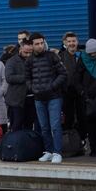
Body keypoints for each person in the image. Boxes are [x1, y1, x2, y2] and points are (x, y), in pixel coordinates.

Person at [26, 32, 68, 164]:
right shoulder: (29, 60)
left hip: (54, 96)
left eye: (41, 43)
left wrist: (52, 86)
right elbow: (27, 77)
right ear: (32, 46)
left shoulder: (52, 56)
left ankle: (57, 152)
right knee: (44, 126)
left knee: (55, 126)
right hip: (38, 98)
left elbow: (63, 73)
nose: (40, 46)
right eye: (37, 44)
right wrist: (32, 88)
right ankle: (49, 151)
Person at [4, 40, 36, 132]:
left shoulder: (34, 60)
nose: (28, 55)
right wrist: (27, 78)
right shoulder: (12, 61)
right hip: (16, 100)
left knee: (29, 125)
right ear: (20, 49)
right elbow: (9, 77)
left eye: (31, 52)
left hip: (32, 98)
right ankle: (14, 144)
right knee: (16, 125)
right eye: (26, 52)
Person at [60, 32, 86, 140]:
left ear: (77, 42)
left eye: (73, 41)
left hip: (81, 91)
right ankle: (69, 140)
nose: (71, 43)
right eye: (69, 41)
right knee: (68, 117)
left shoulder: (84, 55)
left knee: (82, 117)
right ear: (65, 43)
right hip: (66, 91)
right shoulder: (60, 56)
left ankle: (82, 139)